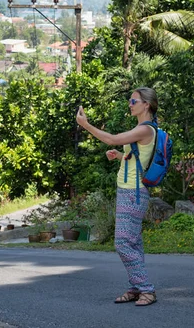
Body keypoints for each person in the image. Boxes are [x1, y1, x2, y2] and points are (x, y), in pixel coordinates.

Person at [75, 87, 158, 307]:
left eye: (133, 101)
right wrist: (120, 156)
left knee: (122, 243)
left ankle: (147, 290)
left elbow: (111, 138)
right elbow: (136, 158)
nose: (130, 104)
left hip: (135, 192)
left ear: (146, 105)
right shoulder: (141, 129)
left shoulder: (146, 129)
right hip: (128, 189)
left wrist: (86, 125)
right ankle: (136, 287)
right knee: (133, 242)